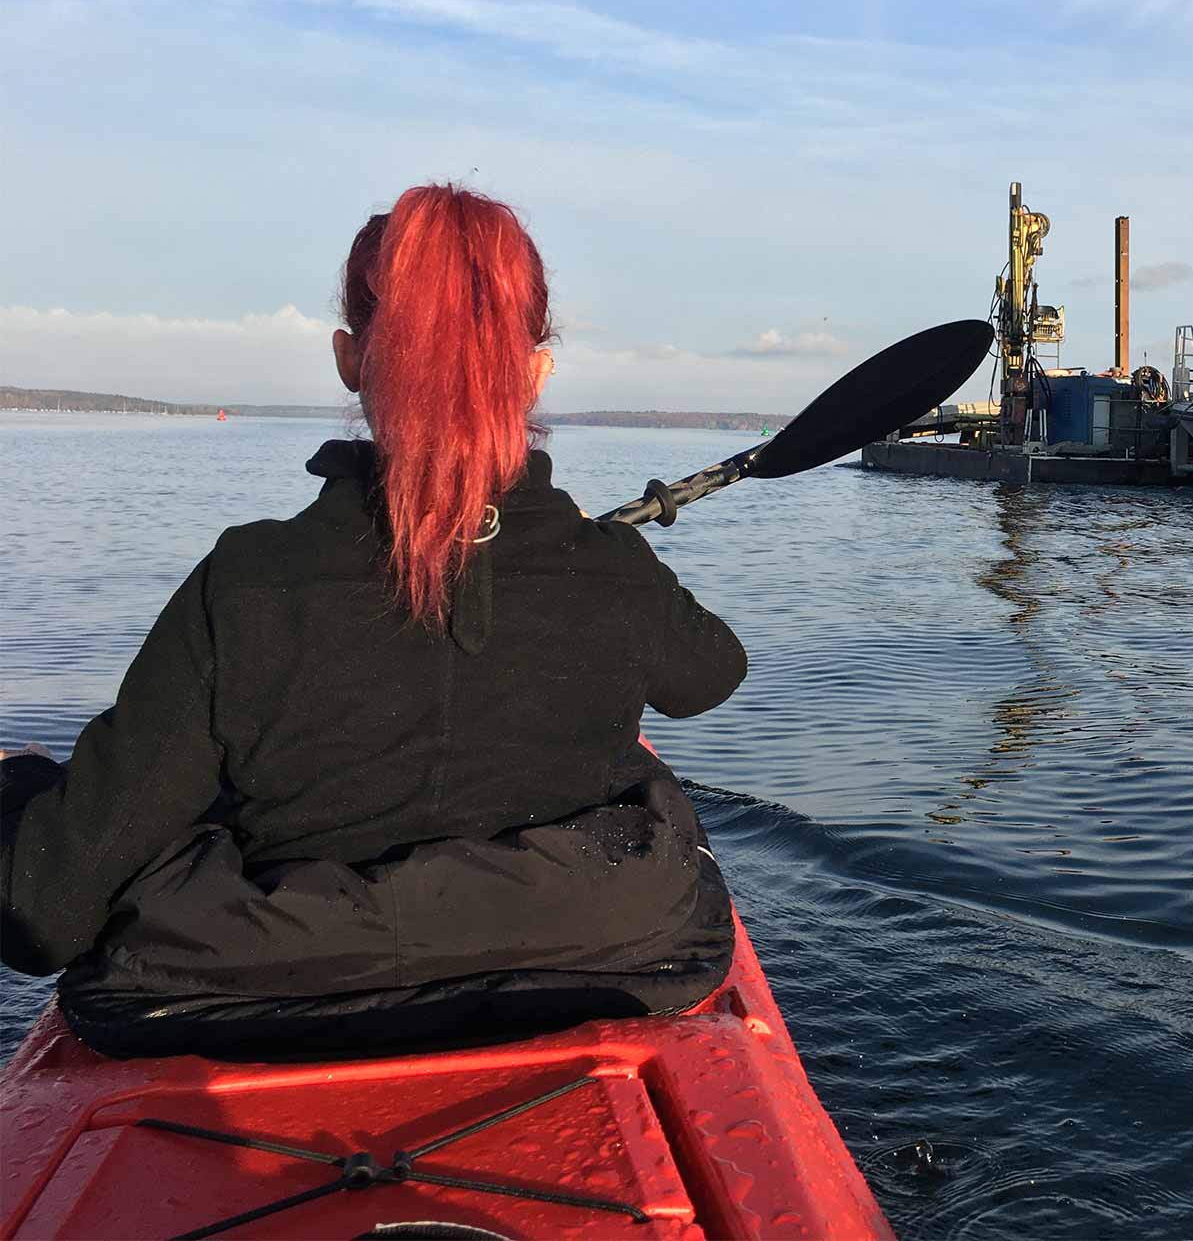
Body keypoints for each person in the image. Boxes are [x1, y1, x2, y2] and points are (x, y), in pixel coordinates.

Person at [0, 185, 747, 1059]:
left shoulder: (245, 584)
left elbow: (41, 916)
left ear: (349, 358)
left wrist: (18, 787)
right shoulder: (610, 569)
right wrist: (590, 560)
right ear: (536, 369)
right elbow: (710, 675)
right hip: (588, 959)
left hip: (283, 991)